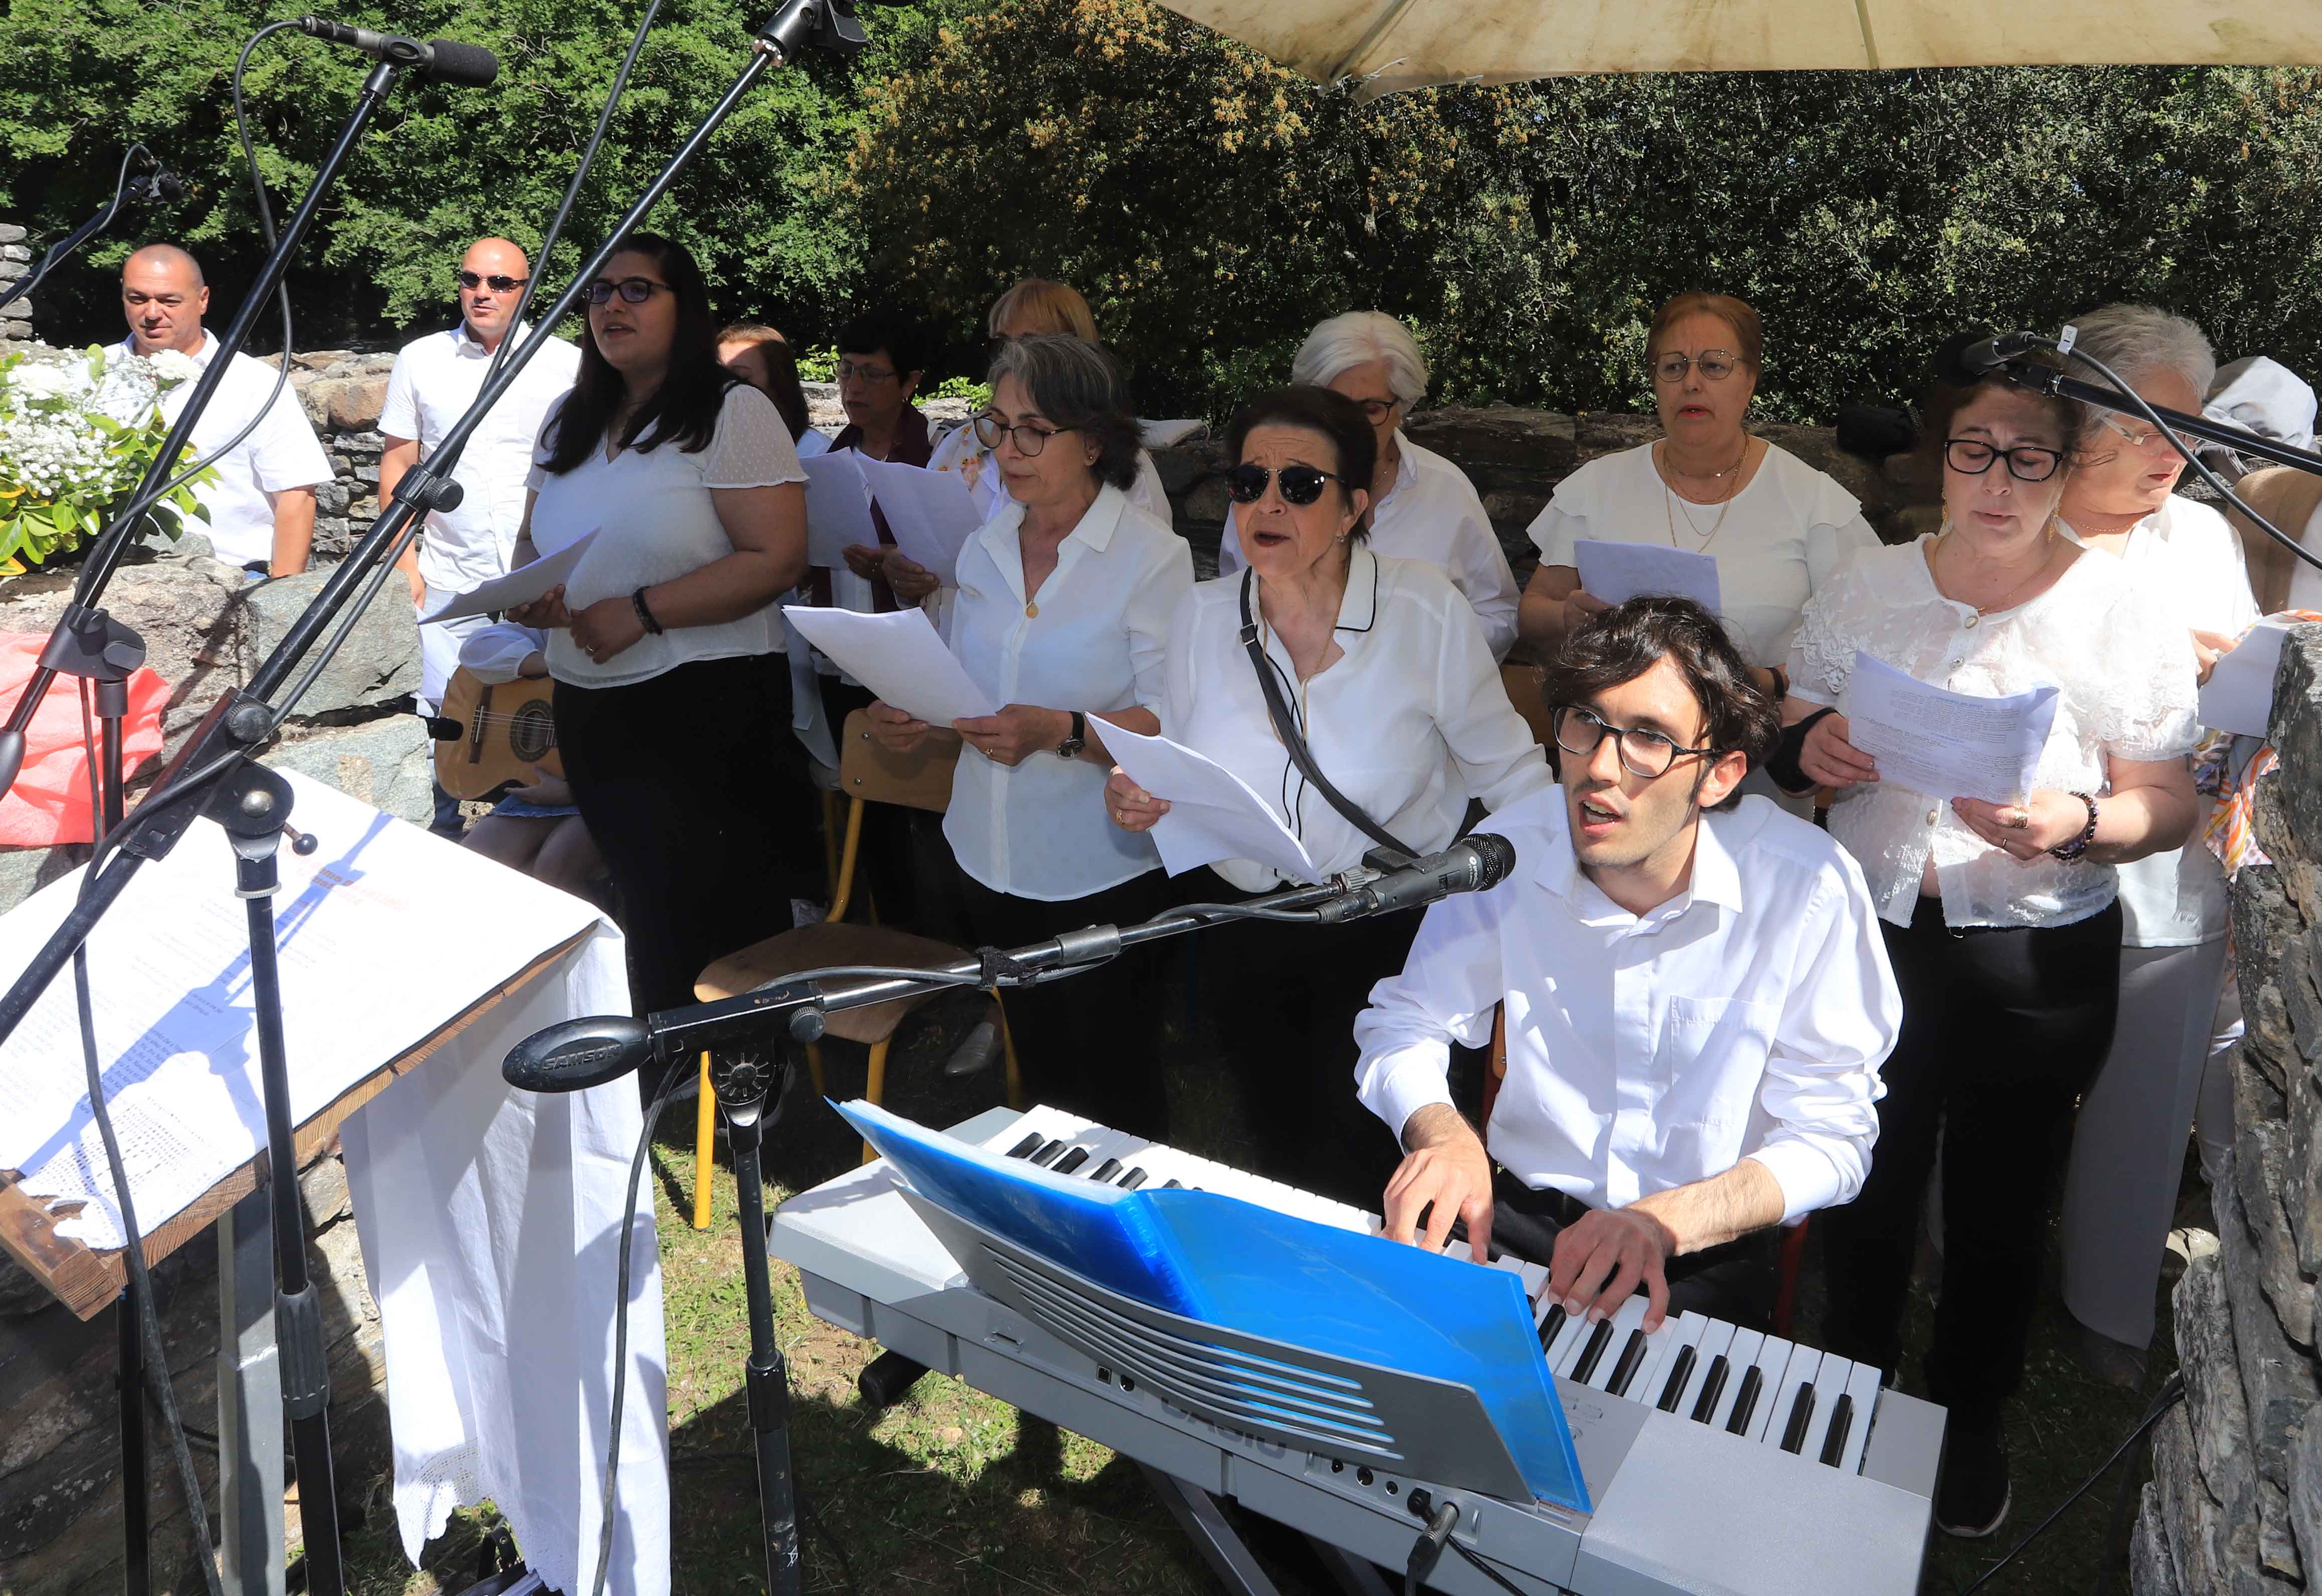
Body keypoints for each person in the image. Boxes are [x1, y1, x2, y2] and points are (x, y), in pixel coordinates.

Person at [1775, 351, 2199, 1539]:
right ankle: (1843, 1392)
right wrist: (1806, 741)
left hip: (2030, 952)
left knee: (1999, 1208)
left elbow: (2166, 798)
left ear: (2065, 469)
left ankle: (1963, 1423)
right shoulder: (1867, 580)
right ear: (1937, 455)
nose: (1998, 479)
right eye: (1974, 449)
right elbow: (1789, 701)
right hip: (1867, 933)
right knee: (1860, 1180)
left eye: (2028, 456)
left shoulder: (2120, 611)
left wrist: (2070, 821)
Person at [1356, 597, 1899, 1329]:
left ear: (1720, 775)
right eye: (1585, 722)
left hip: (1697, 1248)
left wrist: (1659, 1223)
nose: (1600, 769)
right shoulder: (1512, 849)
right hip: (1510, 1221)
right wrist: (1444, 1135)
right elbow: (1405, 1020)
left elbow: (1834, 1137)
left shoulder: (1807, 889)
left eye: (1649, 738)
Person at [1104, 386, 1553, 1204]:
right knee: (1276, 1142)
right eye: (1249, 483)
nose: (1266, 504)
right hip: (1250, 922)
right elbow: (1172, 751)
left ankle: (1374, 1315)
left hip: (1389, 930)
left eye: (1300, 486)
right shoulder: (1201, 617)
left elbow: (1514, 776)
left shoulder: (1424, 611)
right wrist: (1139, 791)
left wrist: (1558, 902)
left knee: (1366, 1156)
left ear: (1351, 506)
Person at [865, 336, 1193, 1134]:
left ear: (1094, 441)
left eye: (1033, 430)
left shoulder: (1152, 557)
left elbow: (1174, 721)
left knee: (1114, 1090)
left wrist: (1062, 732)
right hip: (986, 854)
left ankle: (1125, 1243)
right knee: (1042, 1074)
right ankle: (1046, 1240)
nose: (1005, 452)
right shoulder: (983, 545)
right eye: (997, 425)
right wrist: (912, 715)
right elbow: (966, 686)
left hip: (1097, 866)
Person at [504, 231, 813, 1019]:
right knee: (643, 896)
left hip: (706, 701)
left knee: (721, 904)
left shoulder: (732, 411)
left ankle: (747, 1080)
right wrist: (535, 598)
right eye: (600, 291)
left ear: (687, 308)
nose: (612, 305)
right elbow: (532, 541)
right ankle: (670, 1061)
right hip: (591, 697)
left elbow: (777, 557)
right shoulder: (567, 417)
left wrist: (642, 612)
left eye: (638, 289)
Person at [2049, 305, 2257, 1383]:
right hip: (2029, 856)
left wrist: (2229, 673)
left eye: (2189, 429)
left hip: (2172, 872)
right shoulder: (2020, 513)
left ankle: (2110, 1304)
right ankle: (1952, 1242)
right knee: (2000, 1075)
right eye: (2145, 425)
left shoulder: (2205, 536)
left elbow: (2228, 705)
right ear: (2081, 412)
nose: (2173, 453)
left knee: (2144, 1095)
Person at [1517, 293, 1874, 717]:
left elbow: (1871, 644)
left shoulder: (1814, 501)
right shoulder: (1597, 487)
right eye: (1673, 367)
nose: (1691, 382)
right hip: (1622, 754)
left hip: (1759, 749)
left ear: (1749, 380)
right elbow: (1531, 615)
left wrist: (1772, 680)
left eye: (1714, 365)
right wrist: (1567, 619)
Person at [379, 237, 583, 835]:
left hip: (540, 583)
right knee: (443, 731)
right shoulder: (420, 359)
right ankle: (440, 852)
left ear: (527, 290)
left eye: (500, 283)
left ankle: (531, 863)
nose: (482, 293)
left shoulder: (567, 364)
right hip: (448, 578)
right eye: (471, 280)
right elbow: (399, 463)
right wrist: (404, 564)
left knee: (539, 737)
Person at [1220, 312, 1519, 660]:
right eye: (1334, 407)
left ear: (1403, 406)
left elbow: (1499, 615)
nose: (1350, 426)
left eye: (1371, 409)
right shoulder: (1264, 492)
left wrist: (1423, 659)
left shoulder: (1445, 491)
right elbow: (1235, 605)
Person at [118, 243, 330, 577]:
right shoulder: (89, 375)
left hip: (234, 578)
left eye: (170, 300)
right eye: (138, 299)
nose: (153, 313)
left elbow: (296, 494)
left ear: (203, 299)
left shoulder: (253, 382)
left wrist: (283, 598)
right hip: (111, 576)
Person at [917, 278, 1170, 539]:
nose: (1014, 359)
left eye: (1032, 345)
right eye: (1002, 345)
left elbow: (1149, 564)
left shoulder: (1124, 466)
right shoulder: (961, 443)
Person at [452, 621, 610, 908]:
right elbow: (477, 648)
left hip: (612, 793)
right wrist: (549, 665)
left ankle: (618, 949)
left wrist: (574, 794)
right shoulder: (564, 615)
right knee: (467, 867)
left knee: (554, 868)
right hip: (547, 791)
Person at [717, 323, 827, 456]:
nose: (723, 385)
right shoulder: (701, 443)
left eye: (741, 378)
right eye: (717, 373)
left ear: (778, 383)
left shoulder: (815, 452)